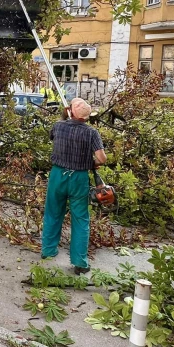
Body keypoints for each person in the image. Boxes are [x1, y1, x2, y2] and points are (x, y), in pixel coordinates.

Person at [41, 97, 107, 274]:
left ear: (70, 111)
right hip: (79, 178)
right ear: (86, 117)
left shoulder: (58, 126)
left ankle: (48, 251)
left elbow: (52, 136)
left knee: (53, 212)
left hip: (58, 175)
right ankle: (79, 262)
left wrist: (65, 115)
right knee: (80, 218)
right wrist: (92, 162)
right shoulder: (92, 133)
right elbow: (102, 158)